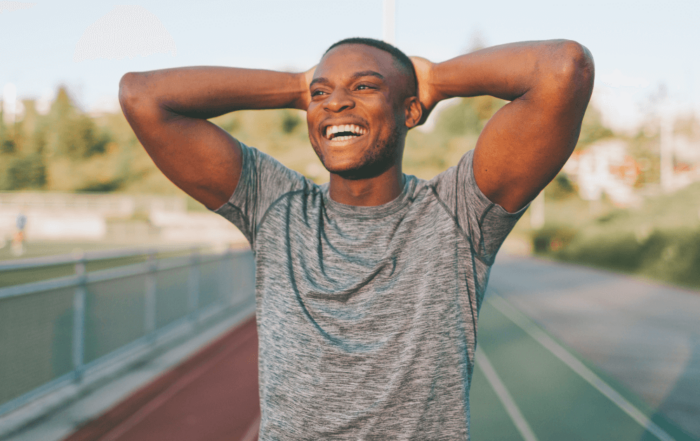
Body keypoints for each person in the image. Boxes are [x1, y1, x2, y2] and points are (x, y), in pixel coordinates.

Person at [119, 37, 594, 439]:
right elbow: (142, 95)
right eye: (322, 93)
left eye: (364, 86)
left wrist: (437, 79)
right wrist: (295, 87)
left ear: (411, 110)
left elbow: (562, 67)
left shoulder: (457, 212)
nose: (336, 102)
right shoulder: (274, 205)